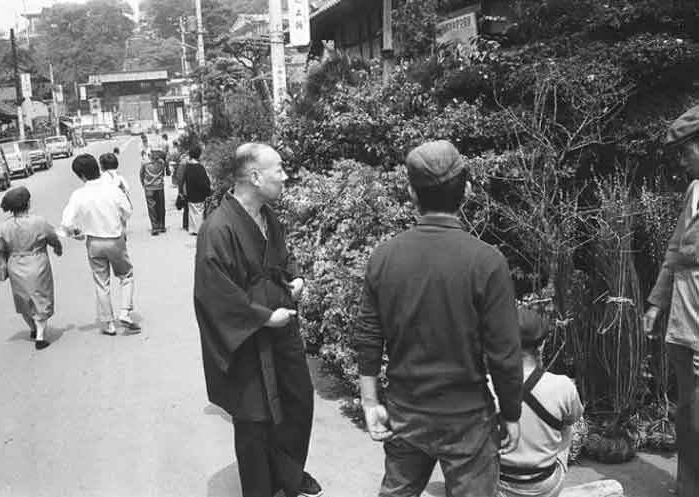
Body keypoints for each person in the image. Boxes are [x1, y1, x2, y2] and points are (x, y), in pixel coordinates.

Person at [354, 140, 523, 497]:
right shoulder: (487, 261)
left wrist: (370, 402)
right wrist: (511, 413)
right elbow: (504, 353)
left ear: (412, 193)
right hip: (468, 419)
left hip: (405, 411)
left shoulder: (385, 256)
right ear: (468, 189)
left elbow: (368, 334)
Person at [194, 143, 323, 497]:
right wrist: (264, 318)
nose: (285, 176)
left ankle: (289, 473)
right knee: (254, 417)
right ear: (254, 176)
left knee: (297, 402)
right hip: (247, 336)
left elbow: (283, 257)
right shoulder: (218, 229)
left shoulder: (267, 215)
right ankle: (261, 488)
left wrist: (295, 277)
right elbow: (213, 295)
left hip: (283, 326)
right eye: (278, 169)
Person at [644, 104, 699, 497]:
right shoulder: (694, 191)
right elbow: (675, 251)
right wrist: (656, 303)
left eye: (686, 150)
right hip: (683, 320)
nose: (682, 160)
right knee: (688, 413)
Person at [495, 308, 583, 497]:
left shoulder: (485, 385)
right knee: (566, 427)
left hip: (498, 485)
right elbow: (572, 421)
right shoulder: (563, 386)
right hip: (546, 485)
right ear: (542, 345)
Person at [60, 154, 140, 335]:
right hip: (115, 240)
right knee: (126, 276)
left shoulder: (78, 195)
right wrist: (118, 219)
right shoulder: (112, 189)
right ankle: (125, 312)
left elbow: (66, 223)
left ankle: (109, 324)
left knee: (101, 282)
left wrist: (76, 233)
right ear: (98, 168)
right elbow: (128, 211)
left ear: (81, 175)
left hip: (94, 242)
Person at [0, 186, 62, 350]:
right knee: (41, 298)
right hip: (37, 262)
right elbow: (52, 237)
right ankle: (40, 335)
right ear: (28, 203)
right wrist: (57, 248)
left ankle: (32, 328)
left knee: (23, 299)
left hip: (15, 264)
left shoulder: (4, 226)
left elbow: (1, 247)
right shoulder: (39, 221)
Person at [179, 143, 212, 235]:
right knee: (199, 211)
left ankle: (193, 229)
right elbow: (205, 182)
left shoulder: (187, 166)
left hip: (190, 193)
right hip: (199, 194)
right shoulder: (200, 167)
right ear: (198, 155)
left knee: (192, 211)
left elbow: (184, 180)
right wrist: (208, 191)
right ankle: (199, 229)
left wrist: (182, 191)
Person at [140, 143, 167, 236]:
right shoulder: (162, 162)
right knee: (161, 207)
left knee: (152, 208)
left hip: (149, 187)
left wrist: (144, 184)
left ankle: (155, 227)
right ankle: (162, 226)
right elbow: (164, 173)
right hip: (159, 186)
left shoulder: (145, 163)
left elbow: (141, 175)